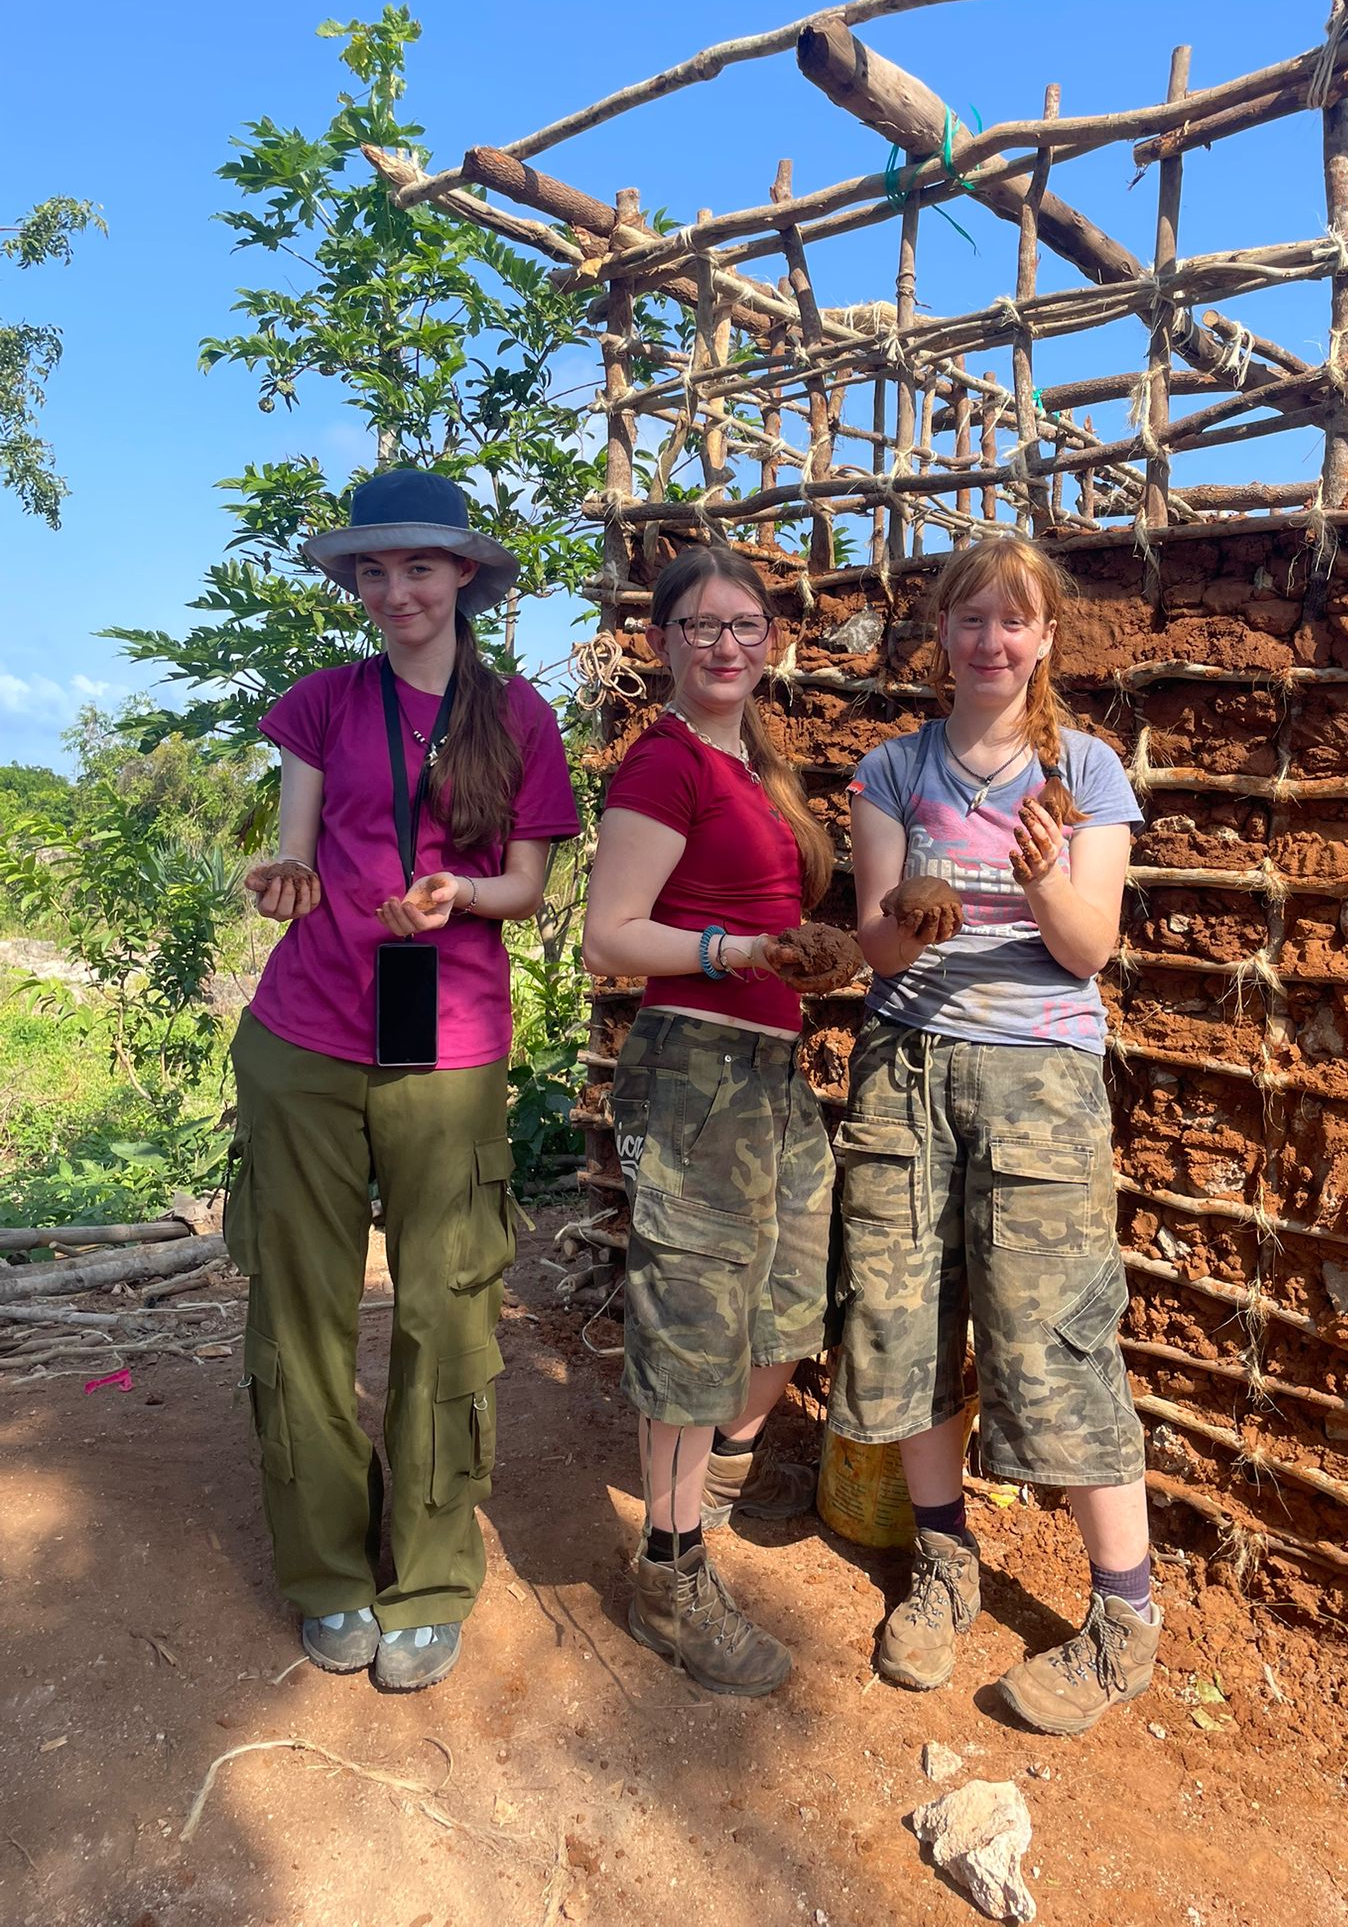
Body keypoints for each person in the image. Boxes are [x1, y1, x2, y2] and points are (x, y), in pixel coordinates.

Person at [227, 467, 578, 1694]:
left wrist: (460, 894)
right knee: (302, 1306)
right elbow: (294, 843)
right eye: (371, 572)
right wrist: (285, 878)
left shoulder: (522, 717)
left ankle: (429, 1572)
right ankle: (327, 1570)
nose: (393, 591)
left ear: (464, 576)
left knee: (445, 1305)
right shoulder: (322, 702)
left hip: (450, 1039)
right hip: (308, 1031)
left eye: (417, 567)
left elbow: (527, 885)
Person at [830, 530, 1159, 1736]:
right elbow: (873, 943)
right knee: (906, 1309)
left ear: (1044, 640)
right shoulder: (892, 769)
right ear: (941, 636)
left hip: (1038, 1079)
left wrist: (1037, 881)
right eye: (969, 618)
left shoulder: (1086, 772)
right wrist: (912, 916)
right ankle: (945, 1558)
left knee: (1054, 1333)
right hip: (907, 1069)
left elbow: (1089, 947)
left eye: (1012, 620)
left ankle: (1125, 1617)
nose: (989, 641)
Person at [582, 541, 859, 1699]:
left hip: (773, 1070)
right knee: (696, 1317)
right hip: (696, 1063)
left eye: (746, 624)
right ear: (662, 643)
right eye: (701, 625)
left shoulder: (762, 765)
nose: (727, 643)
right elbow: (612, 933)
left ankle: (719, 1478)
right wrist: (736, 951)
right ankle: (671, 1568)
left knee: (789, 1295)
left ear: (774, 638)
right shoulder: (665, 765)